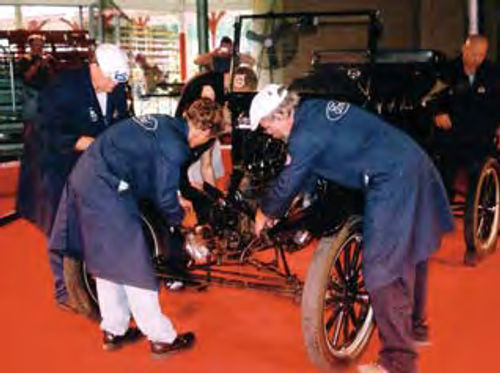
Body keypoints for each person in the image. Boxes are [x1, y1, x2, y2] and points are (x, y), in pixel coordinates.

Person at [249, 84, 454, 373]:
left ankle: (399, 363)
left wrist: (266, 210)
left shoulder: (303, 135)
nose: (267, 132)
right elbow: (308, 166)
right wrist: (296, 196)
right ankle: (414, 329)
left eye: (266, 126)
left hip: (392, 178)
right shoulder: (311, 112)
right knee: (412, 251)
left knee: (379, 269)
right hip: (411, 161)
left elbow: (295, 169)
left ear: (279, 115)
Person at [50, 98, 224, 357]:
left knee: (109, 258)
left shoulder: (166, 124)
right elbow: (165, 199)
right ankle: (161, 338)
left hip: (86, 178)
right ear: (206, 132)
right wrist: (183, 220)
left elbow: (153, 173)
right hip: (106, 186)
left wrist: (175, 197)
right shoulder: (176, 146)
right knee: (135, 264)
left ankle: (113, 329)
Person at [29, 43, 130, 311]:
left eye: (117, 81)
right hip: (59, 165)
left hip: (95, 167)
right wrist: (84, 142)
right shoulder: (63, 88)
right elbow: (45, 132)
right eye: (109, 79)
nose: (112, 86)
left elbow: (123, 123)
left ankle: (93, 278)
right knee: (62, 230)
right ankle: (65, 290)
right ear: (94, 67)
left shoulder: (116, 88)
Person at [431, 34, 500, 266]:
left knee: (476, 173)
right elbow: (433, 97)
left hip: (480, 140)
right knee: (439, 173)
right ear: (463, 48)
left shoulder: (492, 73)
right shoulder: (447, 70)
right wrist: (438, 113)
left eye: (481, 55)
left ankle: (474, 244)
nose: (476, 59)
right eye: (472, 54)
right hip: (450, 138)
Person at [16, 34, 57, 225]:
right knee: (31, 124)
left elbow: (52, 79)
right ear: (31, 46)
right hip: (31, 96)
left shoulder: (47, 60)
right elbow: (27, 77)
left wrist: (46, 65)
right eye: (36, 45)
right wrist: (37, 64)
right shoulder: (24, 61)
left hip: (45, 97)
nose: (39, 47)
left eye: (41, 45)